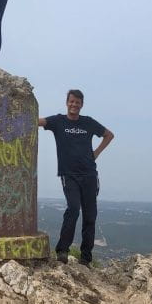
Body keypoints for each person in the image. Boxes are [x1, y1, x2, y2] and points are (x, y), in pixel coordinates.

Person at [38, 89, 114, 266]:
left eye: (77, 102)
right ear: (67, 102)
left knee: (90, 216)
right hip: (69, 174)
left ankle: (86, 258)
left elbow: (109, 135)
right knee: (73, 209)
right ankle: (62, 251)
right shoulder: (58, 121)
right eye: (71, 101)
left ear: (82, 105)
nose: (74, 105)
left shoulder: (88, 122)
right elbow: (38, 121)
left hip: (89, 174)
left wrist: (96, 153)